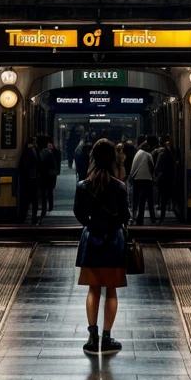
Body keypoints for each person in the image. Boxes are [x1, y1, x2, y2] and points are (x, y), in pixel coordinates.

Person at [74, 138, 130, 355]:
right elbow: (125, 216)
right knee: (111, 290)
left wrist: (92, 223)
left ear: (93, 159)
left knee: (93, 289)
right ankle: (107, 338)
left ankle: (92, 337)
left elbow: (78, 213)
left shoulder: (83, 186)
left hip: (92, 242)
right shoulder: (119, 187)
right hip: (114, 243)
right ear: (113, 159)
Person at [129, 141, 156, 224]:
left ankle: (136, 217)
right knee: (147, 200)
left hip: (137, 179)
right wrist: (154, 176)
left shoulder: (137, 154)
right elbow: (152, 166)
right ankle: (151, 218)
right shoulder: (148, 155)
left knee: (136, 199)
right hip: (147, 179)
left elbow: (133, 168)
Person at [18, 137, 40, 224]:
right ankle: (32, 218)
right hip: (31, 179)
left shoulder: (28, 150)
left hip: (29, 179)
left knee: (27, 200)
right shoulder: (31, 150)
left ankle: (25, 217)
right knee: (33, 200)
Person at [155, 139, 175, 222]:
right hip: (168, 180)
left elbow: (159, 167)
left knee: (163, 199)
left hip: (163, 180)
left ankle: (162, 217)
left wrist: (158, 176)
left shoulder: (163, 155)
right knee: (166, 198)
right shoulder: (170, 154)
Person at [38, 135, 58, 216]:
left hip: (43, 175)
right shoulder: (50, 152)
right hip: (50, 175)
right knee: (49, 192)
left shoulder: (42, 152)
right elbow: (53, 164)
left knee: (43, 193)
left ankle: (44, 208)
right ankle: (50, 206)